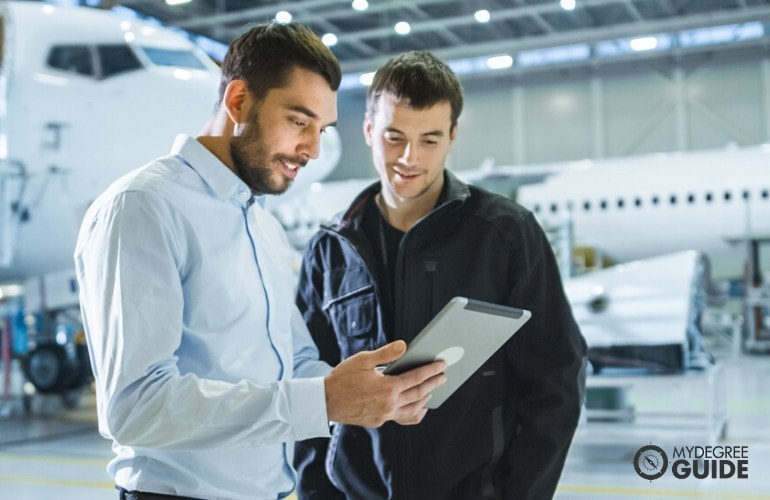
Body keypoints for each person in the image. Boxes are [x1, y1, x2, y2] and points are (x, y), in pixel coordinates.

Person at [74, 24, 446, 500]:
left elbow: (292, 363)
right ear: (238, 102)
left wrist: (375, 394)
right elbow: (136, 407)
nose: (311, 149)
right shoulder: (144, 206)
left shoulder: (261, 224)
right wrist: (322, 399)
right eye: (298, 121)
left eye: (321, 129)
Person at [293, 51, 587, 499]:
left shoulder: (505, 235)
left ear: (452, 137)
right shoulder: (331, 249)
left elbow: (557, 381)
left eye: (429, 140)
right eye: (394, 137)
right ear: (369, 130)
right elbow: (308, 386)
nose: (409, 158)